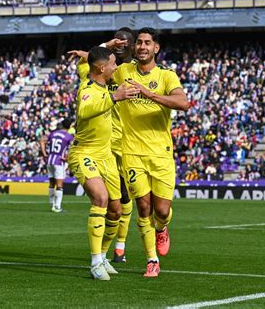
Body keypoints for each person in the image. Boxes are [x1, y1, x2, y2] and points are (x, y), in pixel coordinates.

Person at [113, 27, 189, 277]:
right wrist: (108, 44)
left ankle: (162, 228)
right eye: (140, 43)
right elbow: (96, 65)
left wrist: (149, 93)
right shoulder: (123, 72)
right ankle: (152, 260)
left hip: (161, 153)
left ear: (156, 48)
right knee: (143, 208)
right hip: (132, 153)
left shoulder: (167, 76)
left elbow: (183, 103)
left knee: (162, 211)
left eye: (148, 43)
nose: (143, 47)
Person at [67, 46, 138, 280]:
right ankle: (95, 261)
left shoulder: (102, 82)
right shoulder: (87, 88)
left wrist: (106, 46)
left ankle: (104, 255)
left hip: (106, 155)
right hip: (84, 153)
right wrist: (114, 97)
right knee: (100, 198)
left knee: (116, 211)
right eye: (112, 63)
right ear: (101, 67)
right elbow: (85, 110)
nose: (115, 67)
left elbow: (94, 54)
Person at [40, 118, 74, 212]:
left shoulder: (53, 133)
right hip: (59, 161)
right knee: (59, 185)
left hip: (50, 160)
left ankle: (52, 203)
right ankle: (57, 207)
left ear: (62, 125)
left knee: (51, 183)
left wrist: (44, 154)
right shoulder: (68, 136)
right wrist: (67, 158)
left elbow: (42, 141)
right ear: (70, 126)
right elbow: (73, 149)